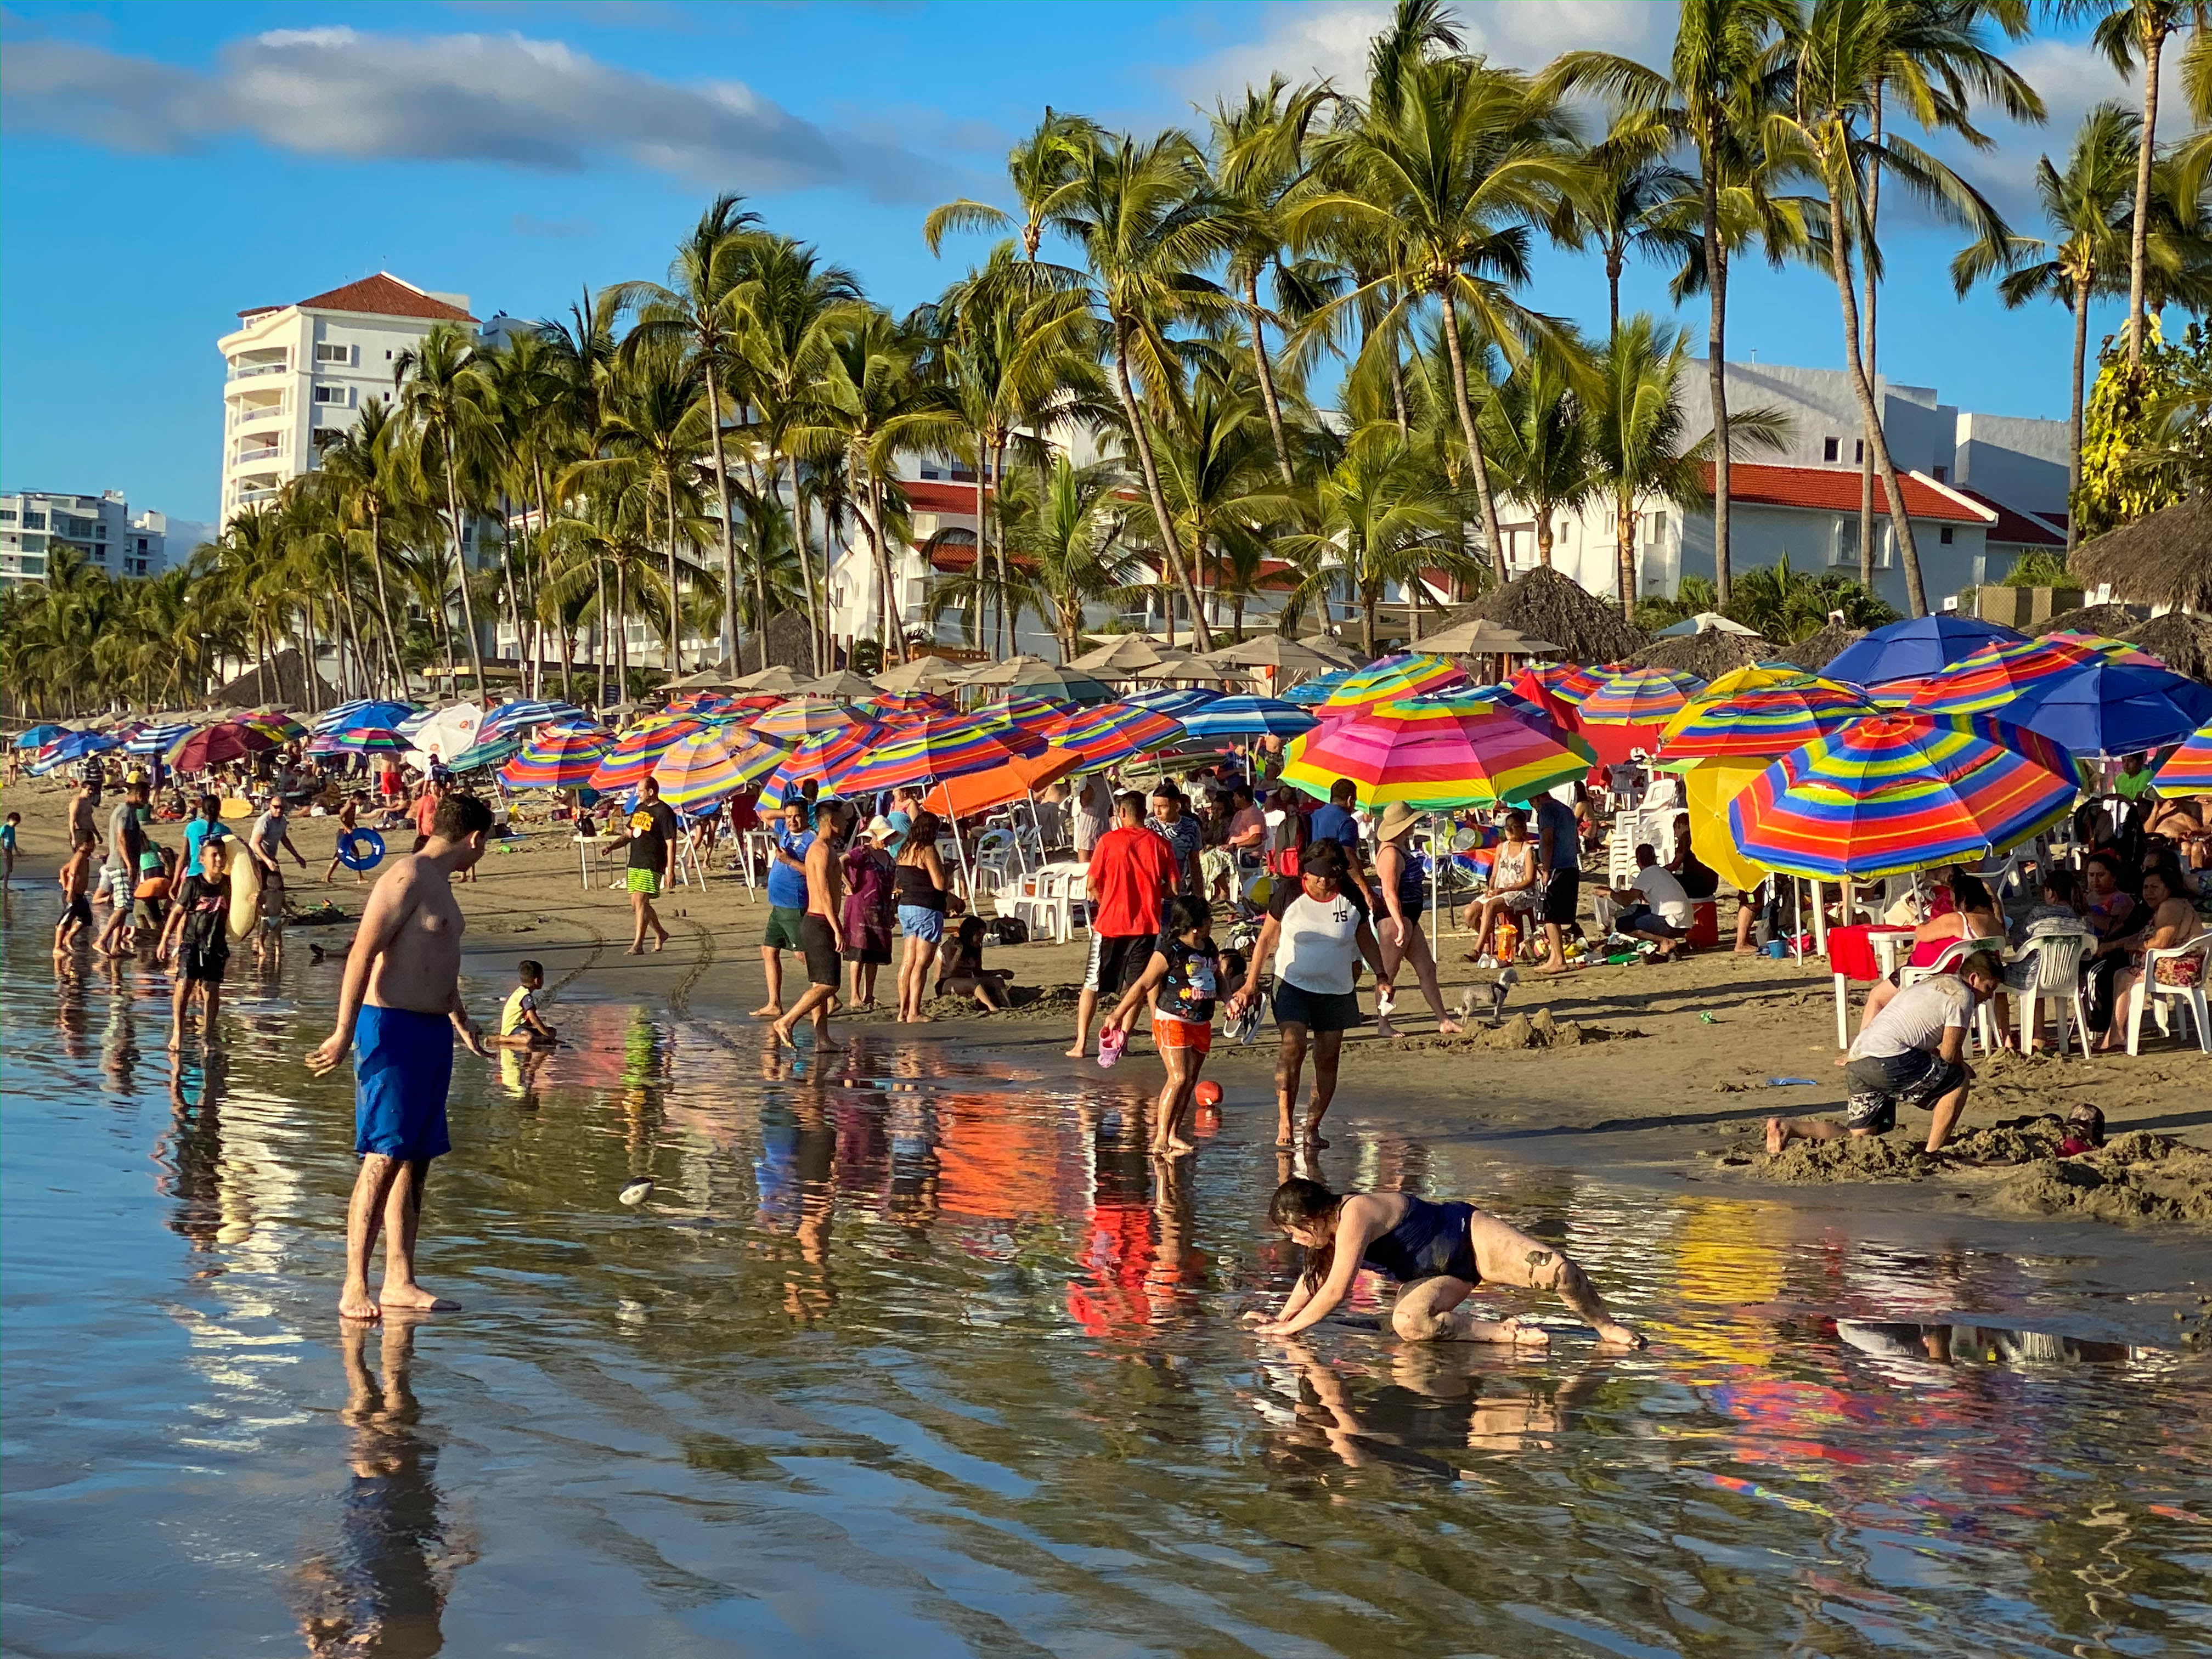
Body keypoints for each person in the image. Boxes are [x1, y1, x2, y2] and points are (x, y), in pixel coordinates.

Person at [307, 792, 497, 1322]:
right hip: (390, 1027)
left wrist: (462, 1023)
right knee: (383, 1156)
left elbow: (439, 966)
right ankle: (353, 1286)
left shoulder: (441, 886)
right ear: (475, 839)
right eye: (485, 843)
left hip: (432, 1032)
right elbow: (363, 952)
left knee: (416, 1161)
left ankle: (400, 1280)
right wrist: (344, 1032)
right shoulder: (407, 877)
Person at [1250, 1177, 1644, 1348]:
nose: (1295, 1241)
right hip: (1438, 1277)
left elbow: (1336, 1290)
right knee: (1410, 1324)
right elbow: (1314, 1279)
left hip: (1467, 1236)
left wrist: (1290, 1332)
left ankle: (1606, 1327)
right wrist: (1282, 1320)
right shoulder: (1325, 1235)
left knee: (1557, 1271)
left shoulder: (1355, 1213)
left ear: (1313, 1218)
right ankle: (1506, 1334)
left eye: (1295, 1233)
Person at [1224, 842, 1388, 1150]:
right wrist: (1250, 984)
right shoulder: (1288, 893)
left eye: (1331, 876)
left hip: (1337, 990)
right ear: (1306, 872)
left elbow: (1365, 939)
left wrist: (1381, 976)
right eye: (1317, 876)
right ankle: (1285, 1120)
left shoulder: (1351, 896)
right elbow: (1266, 940)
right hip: (1292, 984)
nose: (1324, 882)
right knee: (1292, 1046)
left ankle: (1312, 1127)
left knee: (1327, 1059)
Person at [1769, 951, 2003, 1155]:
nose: (1989, 996)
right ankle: (1934, 1151)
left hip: (1859, 1058)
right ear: (1974, 978)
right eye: (1989, 988)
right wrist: (1964, 1069)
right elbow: (1950, 1055)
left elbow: (1921, 1036)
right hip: (1889, 1059)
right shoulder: (1962, 995)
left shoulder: (1936, 982)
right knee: (1956, 1081)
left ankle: (1790, 1127)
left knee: (1859, 1137)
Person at [1107, 895, 1221, 1158]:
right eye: (1208, 918)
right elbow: (1143, 984)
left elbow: (1218, 978)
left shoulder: (1209, 946)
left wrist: (1229, 999)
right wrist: (1117, 1014)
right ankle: (1160, 1136)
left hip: (1202, 1020)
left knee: (1190, 1080)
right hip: (1172, 1018)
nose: (1211, 922)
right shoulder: (1169, 950)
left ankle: (1173, 1134)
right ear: (1194, 924)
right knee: (1178, 1077)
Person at [1068, 792, 1178, 1058]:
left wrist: (1108, 898)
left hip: (1110, 923)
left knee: (1092, 983)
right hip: (1145, 923)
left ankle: (1081, 1044)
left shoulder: (1108, 842)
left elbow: (1092, 884)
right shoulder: (1160, 844)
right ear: (1146, 812)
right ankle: (1125, 1040)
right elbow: (1174, 888)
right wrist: (1151, 893)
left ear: (1123, 813)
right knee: (1140, 985)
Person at [1860, 868, 2006, 1029]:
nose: (1953, 906)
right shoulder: (1996, 925)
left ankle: (1861, 1049)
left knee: (1877, 997)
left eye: (1954, 902)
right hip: (1968, 973)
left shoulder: (1959, 920)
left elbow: (1922, 933)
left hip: (1935, 973)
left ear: (1963, 901)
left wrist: (1925, 924)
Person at [1370, 802, 1462, 1038]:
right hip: (1395, 918)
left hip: (1408, 916)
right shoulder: (1390, 853)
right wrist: (1400, 924)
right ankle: (1383, 1023)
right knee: (1388, 973)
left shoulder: (1399, 848)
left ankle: (1443, 1019)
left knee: (1427, 968)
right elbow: (1389, 892)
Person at [772, 798, 855, 1051]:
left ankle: (823, 1040)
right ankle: (786, 1021)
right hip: (819, 922)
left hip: (819, 922)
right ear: (832, 822)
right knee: (830, 985)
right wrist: (837, 928)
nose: (846, 823)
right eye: (843, 820)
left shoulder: (826, 850)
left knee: (819, 984)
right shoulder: (820, 850)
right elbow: (823, 893)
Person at [2097, 867, 2204, 1052]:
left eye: (2154, 887)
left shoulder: (2170, 907)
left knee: (2123, 977)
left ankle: (2116, 1035)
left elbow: (2160, 942)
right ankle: (2117, 1034)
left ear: (2169, 888)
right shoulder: (2173, 905)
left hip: (2180, 969)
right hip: (2185, 966)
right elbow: (2141, 936)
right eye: (2146, 888)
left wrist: (2134, 946)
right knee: (2122, 974)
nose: (2148, 892)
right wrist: (2113, 946)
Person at [159, 837, 234, 1048]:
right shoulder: (193, 883)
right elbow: (176, 912)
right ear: (202, 859)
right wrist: (165, 940)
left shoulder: (229, 884)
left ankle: (208, 1034)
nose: (219, 859)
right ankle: (178, 1031)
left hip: (216, 944)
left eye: (222, 855)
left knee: (211, 990)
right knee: (184, 986)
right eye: (214, 855)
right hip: (192, 943)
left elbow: (245, 908)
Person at [892, 810, 953, 1023]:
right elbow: (939, 884)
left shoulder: (904, 850)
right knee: (921, 963)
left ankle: (903, 1011)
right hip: (926, 907)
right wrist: (948, 871)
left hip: (906, 906)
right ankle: (914, 1012)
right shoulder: (926, 850)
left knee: (908, 961)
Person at [755, 799, 814, 1014]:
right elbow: (764, 814)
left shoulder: (812, 840)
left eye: (797, 816)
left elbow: (814, 871)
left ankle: (828, 992)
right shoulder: (785, 829)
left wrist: (789, 861)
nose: (792, 821)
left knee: (802, 954)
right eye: (789, 817)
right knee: (769, 950)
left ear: (807, 816)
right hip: (778, 904)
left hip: (795, 902)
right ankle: (774, 1004)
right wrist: (787, 813)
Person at [1463, 809, 1542, 963]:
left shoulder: (1527, 850)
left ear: (1522, 829)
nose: (1509, 831)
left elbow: (1529, 880)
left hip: (1520, 891)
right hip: (1499, 890)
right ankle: (1488, 942)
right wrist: (1490, 889)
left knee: (1490, 907)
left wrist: (1505, 890)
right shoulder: (1501, 847)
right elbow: (1494, 875)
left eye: (1514, 827)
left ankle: (1477, 949)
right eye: (1507, 827)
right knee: (1469, 913)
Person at [247, 794, 310, 970]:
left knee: (278, 891)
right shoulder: (264, 821)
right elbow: (254, 844)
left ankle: (272, 927)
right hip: (259, 860)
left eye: (281, 807)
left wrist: (297, 856)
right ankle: (257, 936)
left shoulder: (282, 821)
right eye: (275, 807)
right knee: (261, 895)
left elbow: (284, 839)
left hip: (271, 859)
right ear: (270, 806)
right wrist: (267, 861)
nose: (278, 810)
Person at [1602, 843, 1695, 962]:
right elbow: (1639, 896)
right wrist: (1619, 892)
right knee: (1634, 910)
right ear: (1654, 858)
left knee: (1622, 923)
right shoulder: (1661, 872)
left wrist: (1608, 893)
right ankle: (1664, 941)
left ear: (1638, 862)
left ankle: (1664, 941)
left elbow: (1625, 901)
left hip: (1672, 923)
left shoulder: (1647, 874)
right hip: (1685, 921)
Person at [842, 817, 898, 1010]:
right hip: (860, 909)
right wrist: (848, 885)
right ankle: (854, 995)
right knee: (859, 952)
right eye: (884, 836)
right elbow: (841, 861)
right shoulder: (862, 853)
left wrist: (892, 910)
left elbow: (891, 886)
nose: (887, 840)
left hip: (881, 909)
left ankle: (869, 994)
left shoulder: (890, 860)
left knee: (874, 953)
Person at [624, 777, 679, 955]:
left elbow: (671, 843)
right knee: (637, 905)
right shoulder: (639, 808)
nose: (638, 794)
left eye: (640, 790)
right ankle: (661, 933)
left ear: (651, 792)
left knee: (640, 901)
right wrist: (612, 846)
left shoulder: (664, 812)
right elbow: (628, 834)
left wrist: (671, 870)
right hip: (635, 861)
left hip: (652, 862)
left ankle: (638, 945)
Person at [1531, 788, 1581, 975]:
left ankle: (1559, 959)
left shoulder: (1547, 810)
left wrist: (1546, 868)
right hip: (1570, 865)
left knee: (1550, 915)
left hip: (1557, 867)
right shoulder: (1565, 809)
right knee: (1556, 915)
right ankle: (1555, 956)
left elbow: (1548, 840)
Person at [936, 913, 1013, 1012]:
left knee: (997, 981)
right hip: (947, 983)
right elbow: (948, 972)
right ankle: (992, 1007)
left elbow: (978, 972)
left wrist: (1000, 972)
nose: (981, 938)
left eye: (983, 935)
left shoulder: (975, 947)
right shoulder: (951, 946)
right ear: (970, 933)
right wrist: (959, 952)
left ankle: (1008, 1006)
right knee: (974, 983)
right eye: (979, 935)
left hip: (967, 980)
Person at [1148, 785, 1204, 898]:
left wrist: (1199, 896)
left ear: (1177, 806)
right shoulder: (1148, 827)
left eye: (1163, 807)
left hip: (1179, 891)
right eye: (1155, 806)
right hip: (1153, 893)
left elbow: (1195, 862)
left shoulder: (1191, 826)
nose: (1157, 812)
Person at [495, 959, 559, 1048]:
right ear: (537, 980)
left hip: (521, 1027)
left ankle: (540, 1039)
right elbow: (533, 1018)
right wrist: (546, 1034)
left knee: (552, 1031)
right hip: (512, 1029)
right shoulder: (526, 996)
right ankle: (502, 1039)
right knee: (528, 1039)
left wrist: (545, 1032)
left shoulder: (522, 992)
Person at [54, 834, 95, 956]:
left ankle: (68, 938)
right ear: (85, 844)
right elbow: (72, 873)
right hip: (73, 894)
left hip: (80, 895)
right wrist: (69, 889)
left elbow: (63, 870)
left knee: (86, 919)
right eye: (93, 842)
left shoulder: (84, 857)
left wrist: (64, 884)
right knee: (65, 921)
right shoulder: (79, 856)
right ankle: (57, 947)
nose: (95, 846)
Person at [1667, 812, 1719, 900]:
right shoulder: (1702, 836)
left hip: (1695, 885)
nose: (1675, 834)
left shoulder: (1686, 837)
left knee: (1667, 880)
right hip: (1711, 885)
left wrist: (1660, 871)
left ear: (1680, 825)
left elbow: (1675, 865)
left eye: (1675, 829)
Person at [183, 794, 229, 879]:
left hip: (194, 875)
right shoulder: (225, 831)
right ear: (219, 810)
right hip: (216, 878)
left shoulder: (191, 827)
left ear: (203, 810)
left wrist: (174, 884)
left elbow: (182, 858)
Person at [323, 793, 364, 885]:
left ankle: (327, 876)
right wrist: (347, 828)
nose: (362, 803)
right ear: (358, 798)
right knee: (350, 854)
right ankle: (360, 878)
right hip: (343, 833)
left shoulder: (353, 806)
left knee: (342, 855)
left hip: (346, 833)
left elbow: (351, 820)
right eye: (361, 800)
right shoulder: (349, 804)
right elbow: (340, 818)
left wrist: (356, 828)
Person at [1071, 775, 1113, 863]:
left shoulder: (1093, 782)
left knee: (1085, 859)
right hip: (1104, 821)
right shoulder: (1108, 783)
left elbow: (1084, 802)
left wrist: (1082, 792)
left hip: (1089, 822)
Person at [2, 808, 19, 888]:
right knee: (8, 869)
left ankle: (2, 879)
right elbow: (1, 837)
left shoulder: (13, 829)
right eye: (15, 823)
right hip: (5, 850)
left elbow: (13, 840)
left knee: (10, 869)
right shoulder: (5, 828)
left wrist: (16, 850)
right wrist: (2, 848)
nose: (15, 825)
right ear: (10, 820)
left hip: (10, 850)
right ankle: (5, 887)